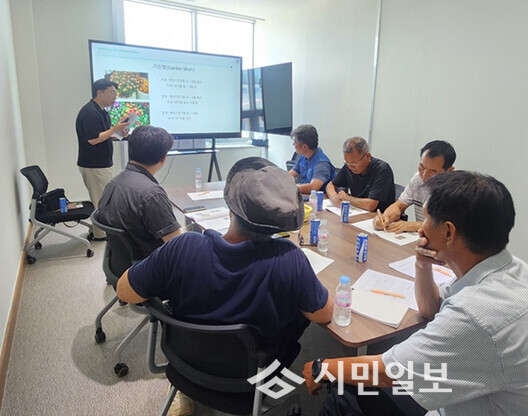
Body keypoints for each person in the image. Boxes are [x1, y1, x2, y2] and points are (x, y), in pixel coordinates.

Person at [303, 171, 528, 416]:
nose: (421, 229)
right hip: (492, 396)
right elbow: (430, 311)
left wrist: (322, 366)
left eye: (426, 220)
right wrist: (422, 263)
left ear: (449, 233)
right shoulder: (515, 270)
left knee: (346, 388)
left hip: (482, 404)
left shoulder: (477, 314)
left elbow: (387, 371)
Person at [116, 157, 334, 415]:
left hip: (183, 363)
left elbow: (124, 290)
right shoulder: (289, 260)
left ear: (229, 209)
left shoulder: (183, 246)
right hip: (251, 379)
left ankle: (185, 393)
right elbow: (324, 314)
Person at [96, 125, 182, 260]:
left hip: (121, 262)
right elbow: (178, 247)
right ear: (164, 158)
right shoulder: (152, 195)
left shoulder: (112, 184)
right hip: (149, 264)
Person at [76, 78, 130, 239]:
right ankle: (101, 235)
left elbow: (103, 136)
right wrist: (115, 129)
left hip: (102, 163)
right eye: (112, 93)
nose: (115, 97)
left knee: (103, 199)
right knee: (102, 201)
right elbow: (93, 139)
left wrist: (119, 134)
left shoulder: (102, 112)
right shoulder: (89, 113)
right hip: (94, 165)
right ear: (100, 93)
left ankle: (100, 231)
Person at [373, 140, 455, 233]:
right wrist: (385, 218)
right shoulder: (418, 179)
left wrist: (415, 225)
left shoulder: (455, 191)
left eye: (432, 171)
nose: (424, 175)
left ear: (449, 171)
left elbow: (447, 229)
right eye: (422, 167)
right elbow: (399, 206)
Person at [325, 137, 395, 212]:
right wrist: (334, 196)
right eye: (347, 163)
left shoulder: (382, 170)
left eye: (354, 164)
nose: (350, 167)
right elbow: (330, 185)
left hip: (379, 215)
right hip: (358, 211)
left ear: (368, 156)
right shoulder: (349, 166)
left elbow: (370, 205)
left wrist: (346, 197)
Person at [288, 124, 336, 193]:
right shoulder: (303, 156)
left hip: (319, 197)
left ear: (304, 147)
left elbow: (313, 187)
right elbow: (290, 175)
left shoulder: (321, 163)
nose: (293, 144)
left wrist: (291, 187)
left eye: (295, 142)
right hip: (305, 195)